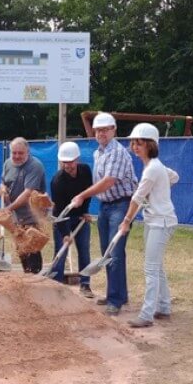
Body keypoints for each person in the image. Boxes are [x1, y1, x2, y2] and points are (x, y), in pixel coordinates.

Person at [71, 112, 138, 315]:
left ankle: (115, 300)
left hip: (122, 205)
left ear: (113, 130)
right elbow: (100, 184)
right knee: (107, 252)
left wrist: (82, 195)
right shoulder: (98, 153)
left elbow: (109, 181)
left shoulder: (117, 152)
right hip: (106, 206)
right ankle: (116, 294)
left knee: (114, 252)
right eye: (98, 130)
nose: (101, 133)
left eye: (105, 129)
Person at [120, 123, 179, 328]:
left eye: (140, 143)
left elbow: (136, 198)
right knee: (157, 266)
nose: (135, 147)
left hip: (160, 222)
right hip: (156, 220)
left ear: (150, 144)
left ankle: (146, 315)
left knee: (151, 269)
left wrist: (126, 222)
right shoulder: (156, 167)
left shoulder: (152, 169)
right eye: (133, 143)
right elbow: (174, 177)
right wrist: (160, 190)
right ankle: (163, 307)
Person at [50, 141, 94, 297]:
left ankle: (85, 285)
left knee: (84, 250)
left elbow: (88, 193)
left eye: (70, 162)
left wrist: (85, 212)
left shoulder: (86, 171)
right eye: (64, 162)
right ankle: (57, 287)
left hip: (80, 216)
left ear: (77, 159)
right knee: (61, 252)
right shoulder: (57, 181)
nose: (67, 165)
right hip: (62, 218)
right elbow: (59, 209)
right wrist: (65, 234)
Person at [1, 137, 47, 273]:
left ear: (27, 152)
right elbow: (3, 181)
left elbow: (27, 194)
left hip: (32, 215)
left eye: (20, 153)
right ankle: (27, 278)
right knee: (21, 250)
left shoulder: (35, 166)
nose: (16, 156)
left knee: (32, 249)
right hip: (16, 217)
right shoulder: (8, 163)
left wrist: (8, 208)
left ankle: (35, 279)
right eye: (14, 153)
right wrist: (3, 189)